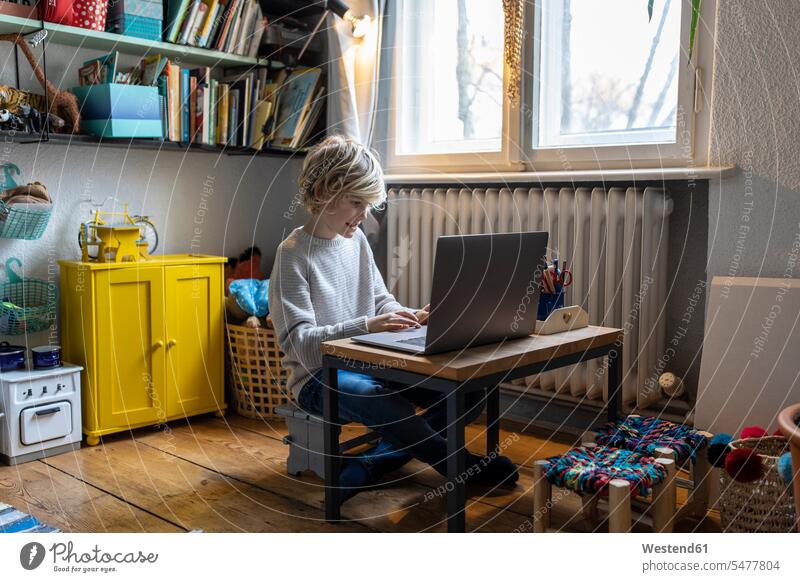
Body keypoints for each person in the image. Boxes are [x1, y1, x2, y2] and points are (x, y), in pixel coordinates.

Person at [268, 135, 518, 503]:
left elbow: (380, 299)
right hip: (319, 377)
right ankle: (458, 465)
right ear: (323, 191)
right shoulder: (292, 255)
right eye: (357, 202)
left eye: (368, 203)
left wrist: (405, 316)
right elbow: (303, 346)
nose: (365, 214)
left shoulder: (356, 242)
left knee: (468, 388)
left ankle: (371, 464)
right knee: (377, 399)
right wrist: (368, 326)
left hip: (371, 360)